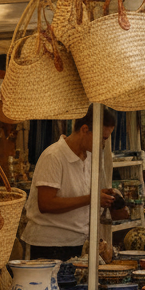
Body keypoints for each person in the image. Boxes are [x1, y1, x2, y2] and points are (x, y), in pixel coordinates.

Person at [22, 111, 121, 260]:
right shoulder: (53, 156)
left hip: (78, 242)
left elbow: (80, 196)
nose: (103, 144)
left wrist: (102, 196)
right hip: (49, 245)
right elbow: (46, 204)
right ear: (85, 130)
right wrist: (92, 198)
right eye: (102, 138)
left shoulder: (89, 157)